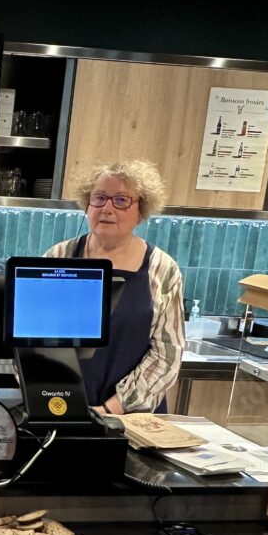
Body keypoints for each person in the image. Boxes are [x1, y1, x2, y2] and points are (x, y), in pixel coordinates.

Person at [44, 159, 184, 414]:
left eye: (121, 200)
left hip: (133, 420)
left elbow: (167, 355)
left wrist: (111, 409)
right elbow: (32, 337)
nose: (107, 209)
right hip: (62, 407)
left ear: (141, 210)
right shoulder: (59, 256)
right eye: (99, 198)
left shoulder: (161, 268)